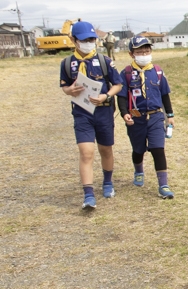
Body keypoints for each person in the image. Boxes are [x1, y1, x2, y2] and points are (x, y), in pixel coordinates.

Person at [60, 20, 123, 209]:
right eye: (84, 39)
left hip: (103, 111)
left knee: (106, 149)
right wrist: (70, 90)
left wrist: (107, 95)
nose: (88, 42)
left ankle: (108, 182)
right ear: (74, 40)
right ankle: (88, 194)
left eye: (91, 39)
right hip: (82, 113)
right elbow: (64, 86)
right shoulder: (67, 63)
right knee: (86, 152)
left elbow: (118, 84)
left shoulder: (105, 61)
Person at [117, 36, 175, 199]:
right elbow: (121, 96)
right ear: (131, 54)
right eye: (140, 52)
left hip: (156, 116)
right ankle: (139, 170)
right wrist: (124, 113)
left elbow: (165, 94)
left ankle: (163, 185)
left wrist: (170, 115)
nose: (144, 54)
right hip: (136, 119)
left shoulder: (157, 71)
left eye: (147, 51)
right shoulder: (126, 73)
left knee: (158, 150)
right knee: (138, 150)